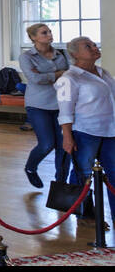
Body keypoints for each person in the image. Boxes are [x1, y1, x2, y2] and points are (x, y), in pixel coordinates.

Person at [57, 36, 115, 187]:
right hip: (85, 133)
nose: (95, 48)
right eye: (88, 47)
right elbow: (64, 112)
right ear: (75, 54)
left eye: (94, 45)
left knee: (114, 174)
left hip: (110, 131)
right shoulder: (69, 78)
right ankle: (82, 210)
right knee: (82, 174)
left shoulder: (103, 73)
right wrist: (67, 137)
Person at [19, 23, 72, 189]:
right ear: (33, 37)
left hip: (62, 104)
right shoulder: (27, 57)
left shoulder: (62, 54)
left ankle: (60, 184)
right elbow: (35, 80)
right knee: (46, 144)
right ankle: (31, 167)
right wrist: (58, 74)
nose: (49, 35)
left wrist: (46, 75)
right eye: (44, 33)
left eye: (49, 32)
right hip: (38, 105)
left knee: (64, 147)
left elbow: (70, 75)